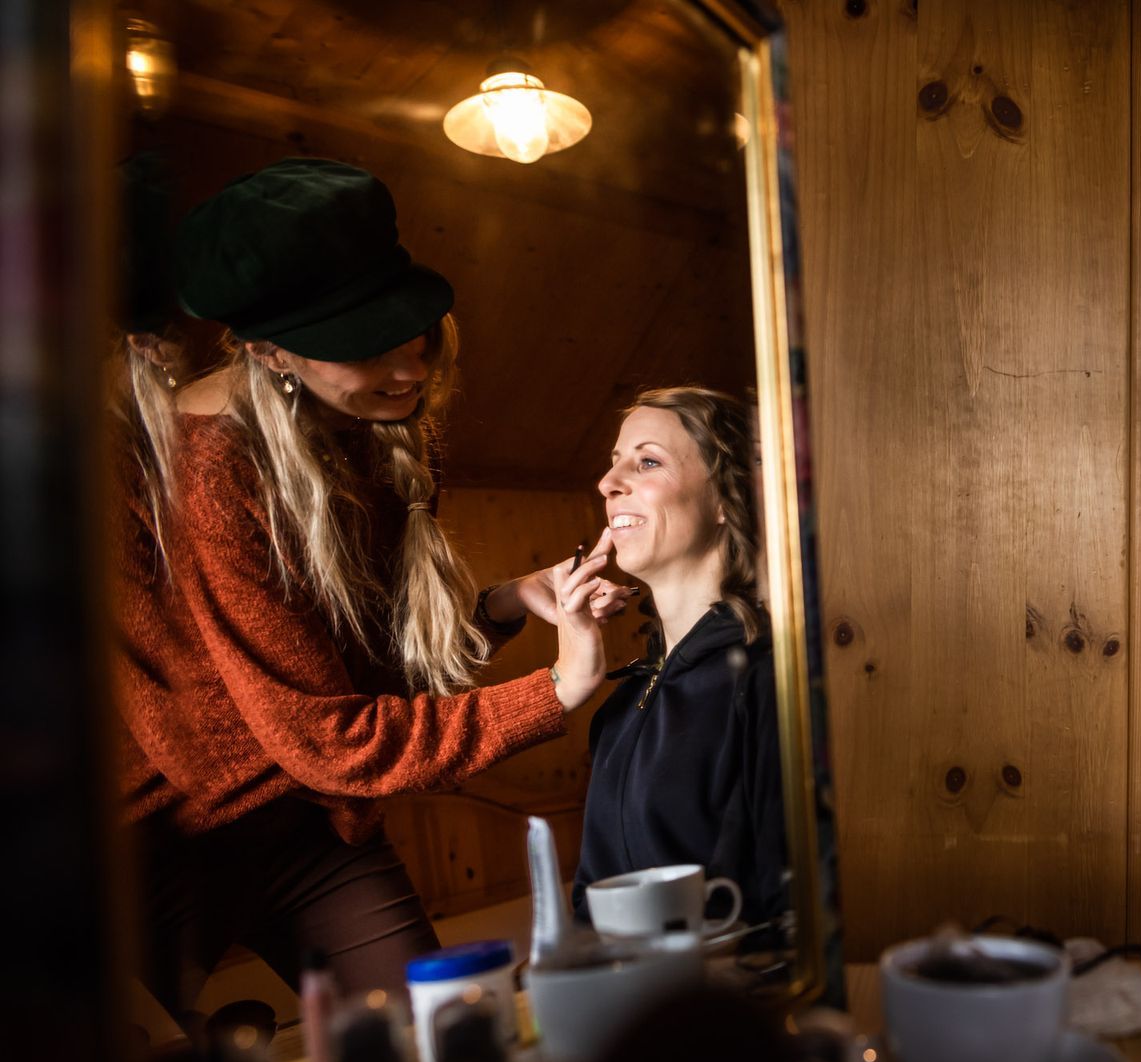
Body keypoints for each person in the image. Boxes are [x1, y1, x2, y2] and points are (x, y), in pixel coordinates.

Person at [119, 158, 619, 1014]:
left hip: (314, 820)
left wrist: (497, 609)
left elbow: (357, 667)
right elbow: (327, 735)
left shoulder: (368, 423)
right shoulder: (209, 472)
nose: (410, 366)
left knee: (452, 1031)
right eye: (365, 342)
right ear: (268, 349)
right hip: (162, 843)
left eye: (413, 327)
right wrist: (556, 693)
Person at [566, 387, 787, 927]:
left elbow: (788, 906)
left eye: (647, 461)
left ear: (723, 500)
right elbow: (592, 899)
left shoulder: (766, 683)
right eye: (613, 463)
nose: (607, 484)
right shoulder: (620, 705)